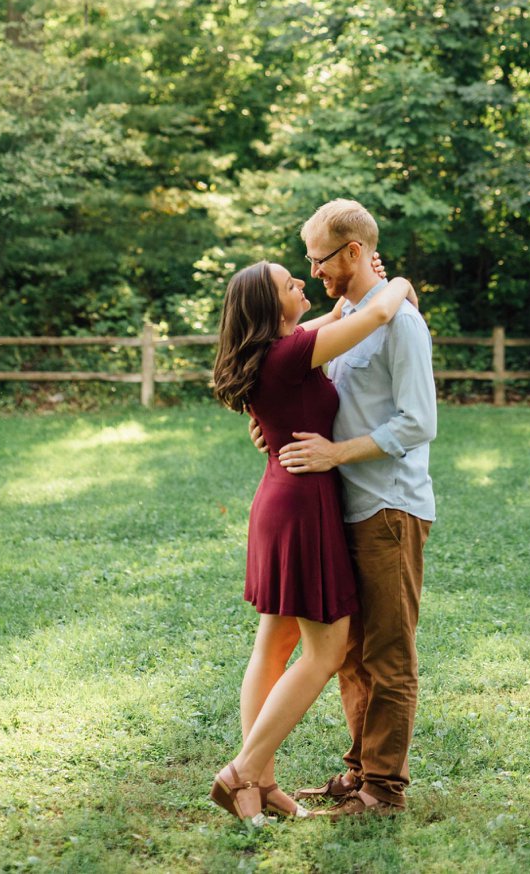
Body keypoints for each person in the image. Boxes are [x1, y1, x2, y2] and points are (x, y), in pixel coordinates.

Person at [209, 255, 417, 826]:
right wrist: (399, 281)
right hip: (302, 509)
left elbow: (340, 313)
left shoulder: (274, 350)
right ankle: (243, 772)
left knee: (273, 647)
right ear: (270, 307)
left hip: (280, 499)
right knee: (325, 652)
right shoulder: (293, 350)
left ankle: (265, 784)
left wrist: (362, 278)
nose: (300, 283)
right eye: (288, 283)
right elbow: (374, 315)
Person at [252, 198, 437, 817]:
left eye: (320, 258)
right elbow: (298, 387)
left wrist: (336, 455)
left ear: (353, 252)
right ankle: (359, 773)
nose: (314, 270)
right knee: (352, 654)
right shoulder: (349, 317)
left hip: (389, 506)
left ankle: (385, 789)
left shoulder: (399, 323)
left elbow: (418, 422)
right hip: (342, 509)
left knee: (388, 653)